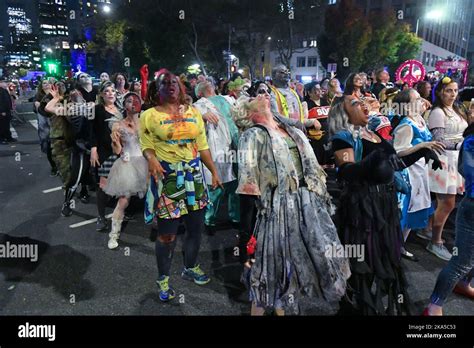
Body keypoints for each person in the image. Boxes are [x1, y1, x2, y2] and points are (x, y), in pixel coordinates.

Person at [234, 94, 350, 315]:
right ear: (249, 112)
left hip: (305, 206)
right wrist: (246, 234)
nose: (262, 94)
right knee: (267, 273)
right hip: (276, 211)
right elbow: (248, 186)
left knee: (292, 270)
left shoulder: (289, 129)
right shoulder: (252, 136)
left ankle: (282, 309)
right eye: (255, 96)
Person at [329, 95, 442, 315]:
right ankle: (356, 308)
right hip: (362, 208)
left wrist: (421, 152)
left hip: (385, 207)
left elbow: (393, 165)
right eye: (354, 103)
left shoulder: (374, 135)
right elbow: (347, 171)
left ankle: (368, 305)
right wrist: (370, 162)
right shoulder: (343, 137)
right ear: (343, 115)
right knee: (362, 264)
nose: (362, 104)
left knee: (384, 259)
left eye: (362, 101)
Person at [140, 70, 222, 302]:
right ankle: (163, 279)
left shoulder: (194, 112)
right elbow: (146, 145)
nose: (171, 85)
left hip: (194, 177)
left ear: (181, 86)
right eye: (165, 83)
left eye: (174, 82)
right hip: (169, 178)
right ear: (158, 89)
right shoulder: (149, 115)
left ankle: (190, 266)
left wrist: (214, 172)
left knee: (196, 228)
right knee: (168, 235)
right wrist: (152, 159)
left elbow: (202, 145)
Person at [424, 123, 474, 315]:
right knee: (461, 261)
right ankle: (434, 306)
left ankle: (463, 283)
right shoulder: (471, 141)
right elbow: (469, 171)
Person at [392, 89, 445, 262]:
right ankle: (393, 249)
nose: (422, 100)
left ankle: (400, 246)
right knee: (406, 210)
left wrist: (430, 153)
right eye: (416, 98)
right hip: (409, 172)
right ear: (406, 105)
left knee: (416, 209)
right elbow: (398, 151)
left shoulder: (420, 119)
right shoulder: (407, 124)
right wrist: (423, 146)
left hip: (420, 171)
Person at [424, 76, 469, 261]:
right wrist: (463, 144)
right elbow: (439, 140)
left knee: (441, 203)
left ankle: (427, 230)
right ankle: (435, 242)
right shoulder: (437, 112)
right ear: (440, 92)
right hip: (443, 161)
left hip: (456, 160)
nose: (452, 94)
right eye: (449, 90)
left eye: (455, 90)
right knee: (447, 203)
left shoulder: (456, 109)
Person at [193, 81, 240, 234]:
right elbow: (190, 115)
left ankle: (236, 217)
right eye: (202, 83)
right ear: (199, 93)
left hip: (236, 145)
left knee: (236, 184)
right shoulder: (199, 104)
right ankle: (209, 218)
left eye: (208, 81)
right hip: (218, 148)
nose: (207, 83)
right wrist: (202, 115)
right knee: (217, 186)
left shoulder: (228, 98)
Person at [103, 92, 148, 249]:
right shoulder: (118, 125)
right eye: (129, 101)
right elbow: (117, 151)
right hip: (128, 163)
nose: (133, 103)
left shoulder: (147, 120)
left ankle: (162, 229)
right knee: (123, 200)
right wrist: (115, 142)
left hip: (147, 162)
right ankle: (113, 235)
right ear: (124, 105)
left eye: (136, 100)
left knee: (157, 196)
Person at [90, 81, 124, 231]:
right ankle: (101, 216)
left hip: (121, 151)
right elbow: (91, 131)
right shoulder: (97, 109)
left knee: (123, 182)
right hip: (104, 152)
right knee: (103, 184)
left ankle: (121, 211)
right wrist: (93, 149)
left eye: (113, 91)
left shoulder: (121, 110)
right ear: (102, 95)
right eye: (107, 91)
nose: (110, 93)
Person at [0, 78, 14, 144]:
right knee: (2, 126)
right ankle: (2, 139)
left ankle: (8, 137)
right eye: (3, 82)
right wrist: (2, 111)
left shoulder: (4, 90)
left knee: (7, 125)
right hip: (2, 112)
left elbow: (8, 100)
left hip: (7, 110)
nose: (5, 84)